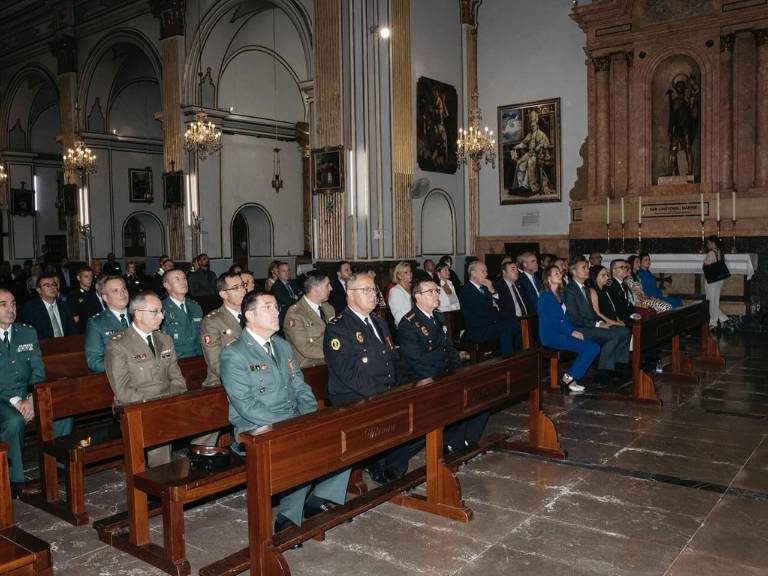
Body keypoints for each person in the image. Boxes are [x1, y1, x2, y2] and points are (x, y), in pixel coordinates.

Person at [221, 290, 350, 535]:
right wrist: (291, 425)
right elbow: (246, 406)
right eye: (268, 307)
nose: (276, 312)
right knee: (301, 449)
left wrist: (311, 417)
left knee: (341, 439)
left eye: (276, 307)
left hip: (292, 420)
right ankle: (288, 517)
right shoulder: (234, 353)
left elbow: (300, 386)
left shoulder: (281, 345)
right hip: (255, 429)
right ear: (249, 315)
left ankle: (320, 498)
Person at [324, 272, 413, 483]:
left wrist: (408, 385)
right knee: (391, 419)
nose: (373, 295)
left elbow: (393, 358)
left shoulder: (378, 321)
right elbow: (348, 373)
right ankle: (379, 465)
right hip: (354, 395)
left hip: (383, 391)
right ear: (350, 295)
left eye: (374, 290)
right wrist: (383, 394)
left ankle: (391, 468)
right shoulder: (338, 327)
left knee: (421, 415)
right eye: (366, 290)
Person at [399, 279, 485, 453]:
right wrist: (443, 380)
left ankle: (465, 440)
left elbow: (450, 348)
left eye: (437, 290)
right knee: (458, 399)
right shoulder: (409, 323)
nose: (436, 294)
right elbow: (416, 362)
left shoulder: (438, 316)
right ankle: (451, 442)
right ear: (417, 297)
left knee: (482, 395)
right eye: (430, 292)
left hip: (446, 374)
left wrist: (459, 372)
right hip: (426, 379)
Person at [104, 291, 187, 466]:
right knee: (159, 431)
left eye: (161, 311)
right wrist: (156, 406)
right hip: (137, 408)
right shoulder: (119, 345)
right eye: (155, 311)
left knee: (208, 419)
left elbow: (177, 378)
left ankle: (200, 469)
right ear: (138, 313)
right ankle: (162, 483)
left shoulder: (164, 340)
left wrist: (172, 401)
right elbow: (123, 391)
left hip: (167, 402)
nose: (162, 316)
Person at [0, 288, 58, 493]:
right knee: (14, 421)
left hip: (26, 395)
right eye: (3, 304)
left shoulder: (27, 332)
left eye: (14, 303)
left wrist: (33, 397)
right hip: (2, 399)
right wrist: (17, 401)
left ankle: (58, 468)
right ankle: (14, 481)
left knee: (60, 410)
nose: (10, 309)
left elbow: (37, 369)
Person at [564, 258, 631, 385]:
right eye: (583, 267)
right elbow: (574, 317)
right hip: (579, 328)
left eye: (587, 267)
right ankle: (603, 371)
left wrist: (601, 322)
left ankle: (619, 365)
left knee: (624, 331)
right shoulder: (570, 289)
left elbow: (593, 312)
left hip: (591, 325)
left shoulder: (585, 288)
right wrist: (597, 324)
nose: (587, 270)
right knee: (613, 335)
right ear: (573, 271)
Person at [538, 266, 600, 394]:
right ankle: (570, 378)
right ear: (548, 278)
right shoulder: (545, 297)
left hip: (563, 332)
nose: (560, 275)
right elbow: (553, 322)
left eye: (560, 273)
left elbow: (566, 318)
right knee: (591, 347)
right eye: (556, 273)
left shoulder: (559, 294)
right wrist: (571, 332)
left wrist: (573, 330)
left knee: (593, 345)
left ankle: (570, 376)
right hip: (552, 336)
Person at [459, 260, 520, 354]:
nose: (486, 274)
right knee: (506, 327)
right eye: (483, 271)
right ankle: (507, 359)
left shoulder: (485, 288)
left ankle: (520, 356)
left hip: (490, 324)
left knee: (517, 324)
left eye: (486, 271)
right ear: (473, 273)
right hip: (478, 329)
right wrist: (494, 308)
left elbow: (498, 307)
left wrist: (492, 290)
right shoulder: (467, 291)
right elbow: (483, 312)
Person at [200, 273, 246, 387]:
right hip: (223, 384)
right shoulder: (212, 321)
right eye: (236, 287)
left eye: (243, 285)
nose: (243, 290)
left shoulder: (253, 315)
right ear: (223, 294)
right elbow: (216, 363)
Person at [283, 271, 335, 368]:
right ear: (316, 289)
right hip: (310, 368)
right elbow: (306, 349)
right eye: (327, 285)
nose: (331, 288)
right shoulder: (295, 314)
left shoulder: (328, 308)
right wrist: (337, 351)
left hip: (330, 362)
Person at [85, 276, 131, 373]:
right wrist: (124, 368)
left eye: (124, 288)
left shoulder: (138, 315)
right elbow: (94, 361)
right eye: (115, 290)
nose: (122, 293)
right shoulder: (97, 323)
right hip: (119, 379)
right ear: (105, 297)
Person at [160, 269, 203, 359]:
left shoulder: (195, 307)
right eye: (177, 279)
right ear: (167, 285)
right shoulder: (161, 309)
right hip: (177, 360)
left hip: (199, 357)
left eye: (184, 278)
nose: (183, 282)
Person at [21, 274, 78, 339]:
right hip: (43, 346)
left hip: (66, 344)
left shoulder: (64, 305)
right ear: (38, 290)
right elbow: (29, 334)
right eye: (47, 285)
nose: (52, 287)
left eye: (53, 284)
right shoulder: (30, 308)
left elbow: (73, 330)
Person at [703, 235, 730, 329]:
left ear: (713, 243)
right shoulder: (720, 252)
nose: (707, 245)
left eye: (708, 243)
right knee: (714, 301)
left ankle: (713, 323)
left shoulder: (711, 253)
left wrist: (705, 262)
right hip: (719, 279)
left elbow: (706, 264)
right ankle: (723, 318)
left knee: (712, 301)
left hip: (712, 280)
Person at [69, 266, 104, 332]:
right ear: (78, 278)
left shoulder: (95, 291)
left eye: (91, 276)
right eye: (86, 276)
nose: (90, 279)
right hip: (84, 330)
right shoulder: (74, 295)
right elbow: (75, 319)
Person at [606, 259, 639, 324]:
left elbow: (628, 303)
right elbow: (617, 308)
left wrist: (634, 314)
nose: (625, 269)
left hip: (626, 315)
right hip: (618, 319)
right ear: (613, 271)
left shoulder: (623, 284)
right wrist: (630, 317)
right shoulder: (611, 286)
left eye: (625, 267)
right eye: (621, 267)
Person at [387, 261, 413, 326]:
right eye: (406, 272)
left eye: (410, 271)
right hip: (405, 326)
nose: (409, 274)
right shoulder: (395, 291)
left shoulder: (414, 287)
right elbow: (397, 315)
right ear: (399, 276)